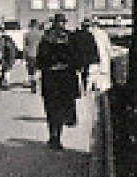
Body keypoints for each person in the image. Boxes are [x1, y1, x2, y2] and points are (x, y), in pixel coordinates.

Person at [37, 14, 80, 149]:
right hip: (65, 78)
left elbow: (40, 61)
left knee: (51, 108)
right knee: (60, 108)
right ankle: (57, 137)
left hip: (50, 77)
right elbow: (76, 59)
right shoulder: (70, 38)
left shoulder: (46, 38)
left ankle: (53, 136)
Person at [69, 19, 101, 94]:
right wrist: (96, 57)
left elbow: (73, 46)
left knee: (78, 73)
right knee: (86, 74)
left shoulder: (76, 35)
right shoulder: (90, 35)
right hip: (86, 58)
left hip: (78, 57)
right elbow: (94, 47)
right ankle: (85, 88)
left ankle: (79, 89)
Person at [23, 19, 45, 94]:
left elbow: (25, 47)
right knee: (38, 71)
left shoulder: (26, 34)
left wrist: (24, 56)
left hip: (30, 55)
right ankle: (38, 85)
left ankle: (33, 86)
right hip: (38, 55)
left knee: (31, 72)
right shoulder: (41, 34)